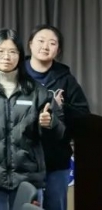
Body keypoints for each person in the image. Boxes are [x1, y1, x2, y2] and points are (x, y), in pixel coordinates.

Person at [0, 28, 66, 210]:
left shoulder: (37, 91)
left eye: (12, 51)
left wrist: (50, 123)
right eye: (1, 51)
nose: (6, 57)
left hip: (28, 182)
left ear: (20, 55)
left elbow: (59, 135)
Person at [26, 25, 90, 210]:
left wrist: (61, 108)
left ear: (58, 50)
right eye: (41, 41)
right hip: (24, 160)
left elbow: (83, 116)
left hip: (56, 161)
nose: (45, 46)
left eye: (52, 43)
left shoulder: (65, 79)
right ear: (30, 44)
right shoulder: (17, 74)